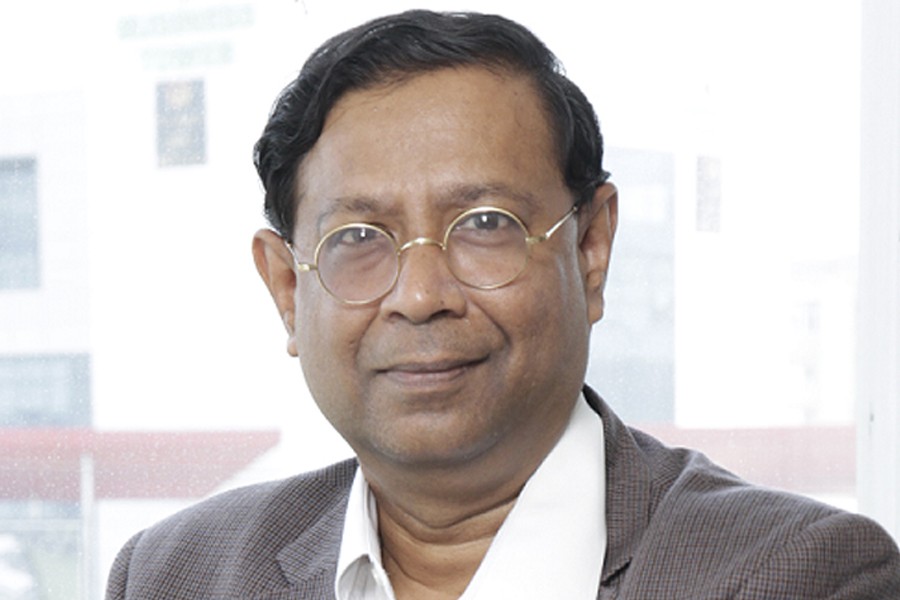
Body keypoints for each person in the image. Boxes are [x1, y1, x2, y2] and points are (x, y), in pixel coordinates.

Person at [106, 10, 900, 600]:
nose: (421, 296)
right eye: (359, 237)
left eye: (485, 225)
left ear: (591, 249)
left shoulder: (800, 575)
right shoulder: (175, 576)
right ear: (288, 287)